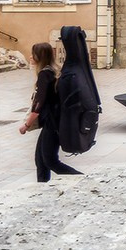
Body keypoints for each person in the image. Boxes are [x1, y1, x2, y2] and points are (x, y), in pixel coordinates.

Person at [19, 42, 82, 181]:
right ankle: (41, 188)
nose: (30, 57)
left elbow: (38, 105)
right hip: (54, 121)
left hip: (53, 123)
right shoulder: (53, 70)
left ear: (39, 56)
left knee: (50, 161)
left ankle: (83, 179)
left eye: (33, 54)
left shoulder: (44, 74)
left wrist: (26, 125)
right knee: (40, 159)